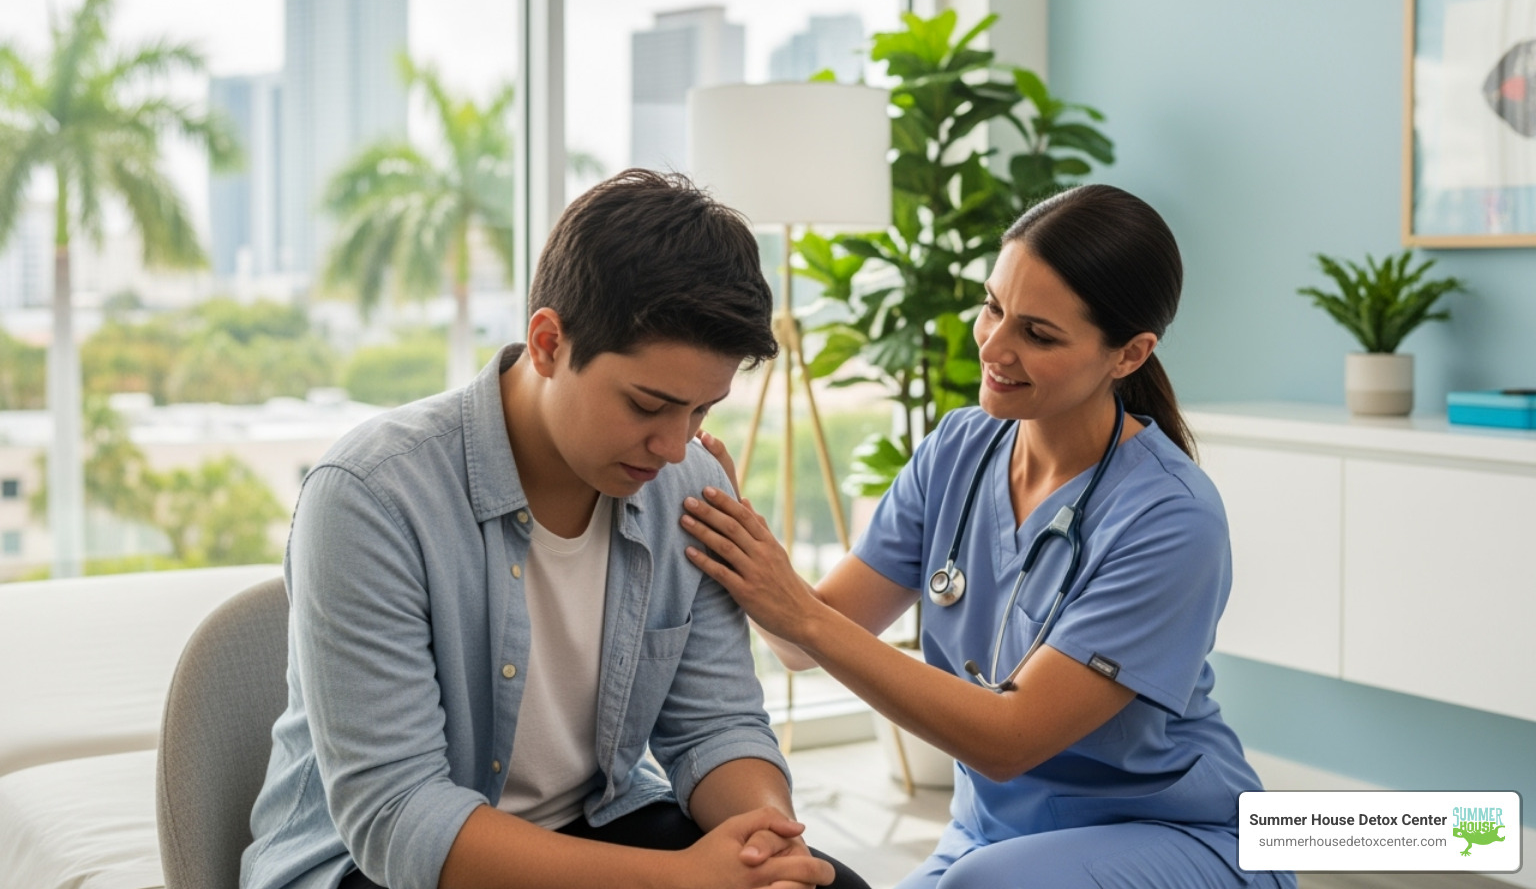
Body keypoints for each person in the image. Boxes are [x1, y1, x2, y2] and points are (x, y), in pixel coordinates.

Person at [243, 169, 869, 889]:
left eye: (701, 412)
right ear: (547, 343)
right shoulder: (370, 497)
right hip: (372, 867)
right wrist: (682, 879)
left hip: (594, 823)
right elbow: (399, 819)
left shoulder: (691, 485)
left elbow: (715, 725)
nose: (674, 446)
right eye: (647, 405)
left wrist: (764, 850)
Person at [680, 185, 1298, 888]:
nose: (994, 346)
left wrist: (802, 612)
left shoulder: (1171, 517)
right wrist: (725, 516)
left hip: (1175, 837)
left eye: (1038, 334)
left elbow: (1010, 742)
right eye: (994, 307)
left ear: (1127, 355)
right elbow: (798, 643)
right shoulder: (958, 451)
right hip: (989, 840)